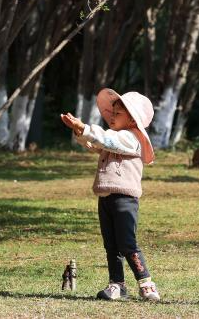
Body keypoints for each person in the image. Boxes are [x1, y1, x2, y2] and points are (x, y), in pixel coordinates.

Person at [61, 89, 161, 301]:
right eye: (112, 112)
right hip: (106, 198)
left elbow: (106, 139)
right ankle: (117, 285)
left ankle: (146, 283)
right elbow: (96, 144)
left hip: (125, 200)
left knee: (127, 244)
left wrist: (85, 128)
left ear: (132, 120)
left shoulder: (131, 138)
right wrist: (79, 131)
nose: (112, 116)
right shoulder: (115, 138)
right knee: (111, 245)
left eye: (118, 113)